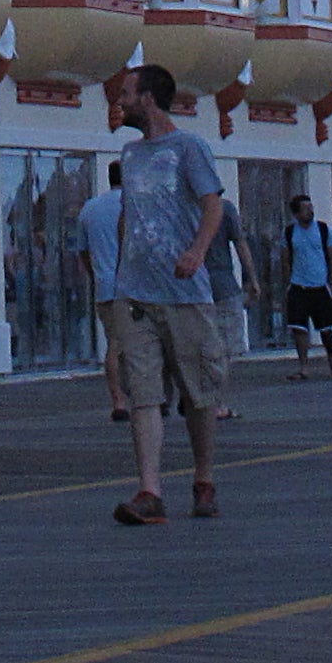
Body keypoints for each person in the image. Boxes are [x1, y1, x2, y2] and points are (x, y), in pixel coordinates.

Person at [107, 63, 227, 526]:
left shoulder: (188, 147)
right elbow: (128, 213)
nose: (120, 101)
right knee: (143, 392)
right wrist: (117, 269)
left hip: (184, 292)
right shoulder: (130, 153)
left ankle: (203, 476)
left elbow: (211, 203)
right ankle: (149, 490)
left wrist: (197, 251)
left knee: (198, 391)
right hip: (136, 293)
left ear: (150, 98)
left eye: (126, 94)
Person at [77, 161, 127, 421]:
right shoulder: (133, 205)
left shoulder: (90, 208)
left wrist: (96, 273)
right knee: (129, 345)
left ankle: (120, 399)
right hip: (134, 286)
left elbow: (82, 251)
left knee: (114, 343)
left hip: (104, 287)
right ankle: (125, 400)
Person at [281, 191, 332, 378]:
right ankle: (303, 366)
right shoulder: (289, 232)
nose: (310, 211)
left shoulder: (324, 230)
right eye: (305, 209)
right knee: (299, 328)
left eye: (311, 207)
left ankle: (331, 358)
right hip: (298, 286)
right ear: (296, 214)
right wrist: (288, 283)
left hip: (320, 286)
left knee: (327, 327)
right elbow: (285, 259)